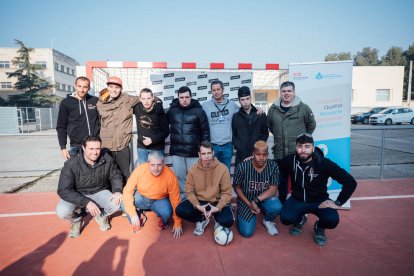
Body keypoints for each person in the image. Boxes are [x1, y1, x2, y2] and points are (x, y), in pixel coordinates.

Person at [278, 133, 357, 246]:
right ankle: (300, 220)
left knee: (332, 220)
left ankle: (319, 227)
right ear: (296, 147)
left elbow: (350, 182)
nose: (303, 150)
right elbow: (274, 164)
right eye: (300, 146)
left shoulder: (324, 163)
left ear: (313, 147)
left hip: (319, 201)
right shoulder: (290, 161)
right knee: (285, 218)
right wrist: (253, 159)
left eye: (307, 146)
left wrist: (338, 202)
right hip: (298, 199)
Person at [56, 136, 123, 238]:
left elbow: (115, 175)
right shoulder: (71, 163)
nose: (95, 152)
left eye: (97, 148)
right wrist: (86, 202)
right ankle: (76, 220)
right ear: (83, 148)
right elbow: (63, 190)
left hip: (99, 190)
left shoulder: (107, 159)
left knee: (116, 203)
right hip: (79, 193)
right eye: (91, 149)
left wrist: (117, 190)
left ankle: (102, 216)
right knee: (62, 211)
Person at [267, 81, 316, 204]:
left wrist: (302, 140)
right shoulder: (273, 109)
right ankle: (282, 205)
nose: (286, 93)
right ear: (280, 93)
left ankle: (299, 208)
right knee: (282, 182)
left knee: (299, 182)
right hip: (280, 154)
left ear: (294, 92)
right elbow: (270, 126)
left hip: (298, 154)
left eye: (289, 91)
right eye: (284, 91)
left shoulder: (303, 108)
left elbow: (311, 125)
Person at [176, 141, 234, 236]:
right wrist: (198, 206)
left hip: (216, 202)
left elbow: (227, 193)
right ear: (199, 154)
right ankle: (201, 219)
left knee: (228, 221)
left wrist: (217, 208)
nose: (206, 156)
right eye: (203, 154)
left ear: (213, 153)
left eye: (209, 153)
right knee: (180, 210)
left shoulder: (223, 169)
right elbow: (189, 191)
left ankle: (217, 218)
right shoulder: (193, 169)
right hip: (200, 202)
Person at [123, 151, 183, 239]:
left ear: (163, 163)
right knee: (122, 201)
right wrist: (132, 214)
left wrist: (178, 223)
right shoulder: (139, 170)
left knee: (166, 212)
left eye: (159, 165)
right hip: (142, 198)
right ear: (148, 164)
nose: (156, 168)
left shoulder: (170, 176)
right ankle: (139, 216)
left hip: (159, 200)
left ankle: (164, 221)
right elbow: (127, 191)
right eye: (153, 165)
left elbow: (175, 200)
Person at [166, 86, 210, 199]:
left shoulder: (199, 111)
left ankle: (195, 203)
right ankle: (184, 202)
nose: (184, 100)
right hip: (177, 153)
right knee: (180, 179)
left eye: (187, 97)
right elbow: (161, 123)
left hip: (193, 153)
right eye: (181, 97)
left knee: (195, 179)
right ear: (178, 98)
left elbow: (205, 132)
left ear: (191, 97)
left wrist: (204, 151)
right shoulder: (172, 111)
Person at [233, 140, 282, 237]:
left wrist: (255, 201)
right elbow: (237, 188)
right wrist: (250, 204)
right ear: (253, 154)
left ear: (268, 154)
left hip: (263, 199)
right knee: (247, 233)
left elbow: (273, 189)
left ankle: (267, 220)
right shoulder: (242, 167)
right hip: (246, 200)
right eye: (258, 154)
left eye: (264, 155)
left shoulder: (273, 166)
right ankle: (242, 213)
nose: (261, 158)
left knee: (276, 206)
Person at [97, 76, 140, 185]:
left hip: (123, 146)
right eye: (111, 87)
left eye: (117, 87)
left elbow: (144, 98)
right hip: (106, 147)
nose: (114, 90)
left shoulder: (127, 99)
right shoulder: (99, 104)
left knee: (125, 174)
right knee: (107, 174)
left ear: (121, 89)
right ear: (107, 87)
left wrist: (156, 100)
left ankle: (125, 198)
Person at [56, 76, 100, 160]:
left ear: (89, 88)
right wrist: (63, 147)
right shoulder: (66, 103)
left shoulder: (95, 101)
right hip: (76, 147)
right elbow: (61, 127)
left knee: (95, 172)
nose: (82, 90)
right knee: (78, 172)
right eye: (79, 86)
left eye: (85, 87)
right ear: (75, 86)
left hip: (94, 146)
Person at [202, 80, 239, 170]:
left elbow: (244, 113)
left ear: (223, 90)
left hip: (227, 145)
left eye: (218, 89)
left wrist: (256, 108)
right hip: (213, 146)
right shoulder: (205, 106)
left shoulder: (232, 105)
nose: (216, 92)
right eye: (214, 90)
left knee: (225, 172)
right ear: (211, 91)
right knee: (212, 173)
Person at [232, 86, 269, 167]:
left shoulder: (260, 114)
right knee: (240, 178)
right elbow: (234, 134)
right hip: (241, 155)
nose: (245, 102)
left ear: (251, 98)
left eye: (247, 98)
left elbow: (265, 133)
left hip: (258, 154)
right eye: (242, 99)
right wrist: (238, 146)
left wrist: (259, 147)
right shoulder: (235, 117)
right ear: (239, 101)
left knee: (257, 179)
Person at [133, 88, 169, 165]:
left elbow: (166, 132)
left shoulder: (159, 111)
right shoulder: (137, 108)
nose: (146, 101)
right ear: (140, 99)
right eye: (143, 98)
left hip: (157, 148)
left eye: (149, 98)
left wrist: (152, 140)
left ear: (153, 98)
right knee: (144, 173)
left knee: (157, 173)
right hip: (141, 148)